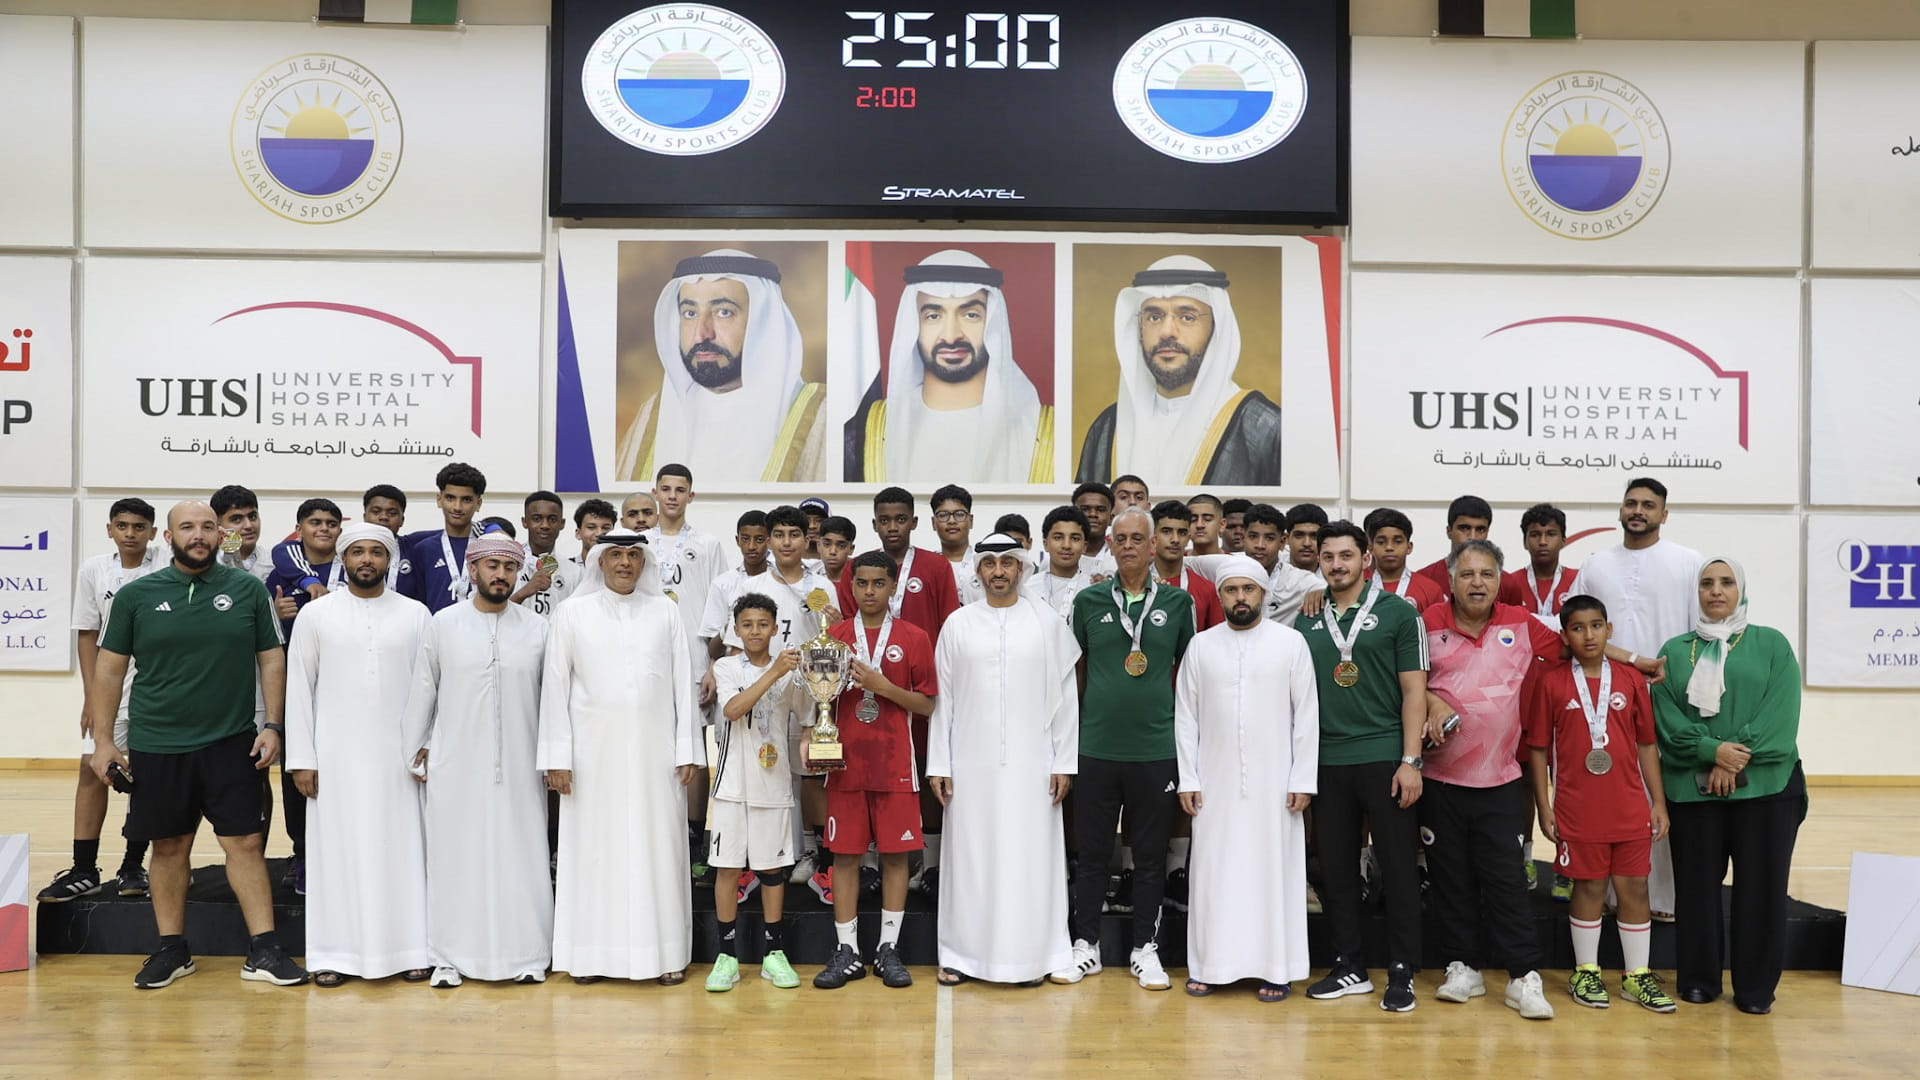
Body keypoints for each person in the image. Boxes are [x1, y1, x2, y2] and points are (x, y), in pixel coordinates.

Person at [89, 501, 306, 989]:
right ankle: (172, 949)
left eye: (209, 526)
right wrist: (104, 740)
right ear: (168, 537)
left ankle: (265, 951)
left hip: (232, 741)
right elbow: (109, 669)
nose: (200, 534)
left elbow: (272, 659)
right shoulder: (136, 595)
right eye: (188, 527)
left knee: (246, 843)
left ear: (220, 535)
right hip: (158, 743)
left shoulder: (248, 589)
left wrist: (273, 725)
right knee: (168, 846)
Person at [539, 530, 702, 985]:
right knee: (592, 853)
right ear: (600, 562)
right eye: (616, 555)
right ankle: (588, 957)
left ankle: (665, 955)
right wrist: (557, 758)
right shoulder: (571, 613)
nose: (625, 564)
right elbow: (554, 688)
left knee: (657, 851)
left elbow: (681, 684)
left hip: (657, 758)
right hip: (590, 759)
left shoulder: (665, 611)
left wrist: (688, 749)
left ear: (644, 562)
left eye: (633, 555)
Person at [283, 522, 433, 987]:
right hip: (335, 758)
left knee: (405, 851)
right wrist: (302, 758)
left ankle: (412, 949)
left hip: (400, 757)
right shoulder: (316, 615)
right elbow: (298, 691)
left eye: (376, 553)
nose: (366, 560)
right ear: (343, 560)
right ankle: (332, 953)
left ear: (389, 561)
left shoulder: (416, 614)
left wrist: (427, 746)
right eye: (357, 553)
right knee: (336, 854)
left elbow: (430, 688)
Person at [1653, 558, 1804, 1015]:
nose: (1716, 591)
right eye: (1706, 583)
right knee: (1697, 890)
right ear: (1695, 592)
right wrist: (1710, 753)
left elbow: (1781, 715)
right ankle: (1699, 980)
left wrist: (1729, 756)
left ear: (1742, 588)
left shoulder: (1771, 644)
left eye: (1726, 582)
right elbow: (1666, 719)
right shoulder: (1675, 651)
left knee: (1760, 889)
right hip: (1694, 792)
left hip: (1766, 788)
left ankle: (1756, 989)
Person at [402, 533, 553, 987]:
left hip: (524, 766)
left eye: (509, 567)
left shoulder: (538, 628)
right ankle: (449, 956)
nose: (500, 575)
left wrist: (552, 757)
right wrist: (417, 747)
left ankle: (528, 956)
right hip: (455, 763)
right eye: (491, 566)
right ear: (473, 570)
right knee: (455, 858)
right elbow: (423, 690)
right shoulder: (443, 624)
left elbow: (552, 698)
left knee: (523, 857)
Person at [928, 536, 1079, 986]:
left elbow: (1066, 699)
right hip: (969, 763)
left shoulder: (1047, 624)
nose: (998, 571)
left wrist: (1063, 762)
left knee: (1030, 857)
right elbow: (945, 700)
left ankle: (1034, 955)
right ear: (978, 571)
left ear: (1022, 569)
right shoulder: (958, 624)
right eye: (989, 563)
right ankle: (961, 955)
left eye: (1007, 563)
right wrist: (940, 763)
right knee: (971, 857)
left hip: (1035, 762)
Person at [1417, 539, 1558, 1020]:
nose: (1477, 582)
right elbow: (1407, 683)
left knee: (1506, 882)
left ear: (1500, 580)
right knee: (1450, 879)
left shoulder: (1521, 624)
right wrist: (1433, 702)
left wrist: (1636, 660)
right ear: (1451, 580)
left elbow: (1580, 644)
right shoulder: (1427, 623)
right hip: (1439, 780)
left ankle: (1524, 976)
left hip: (1500, 781)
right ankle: (1463, 967)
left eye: (1487, 574)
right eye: (1467, 574)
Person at [1175, 555, 1319, 1001]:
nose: (1240, 598)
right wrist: (1188, 778)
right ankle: (1211, 965)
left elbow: (1306, 717)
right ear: (1220, 597)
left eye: (1248, 590)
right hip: (1213, 784)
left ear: (1264, 594)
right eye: (1232, 591)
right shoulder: (1201, 645)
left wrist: (1302, 779)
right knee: (1214, 873)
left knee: (1272, 872)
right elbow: (1185, 718)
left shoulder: (1291, 643)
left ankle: (1276, 968)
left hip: (1276, 784)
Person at [1065, 507, 1196, 991]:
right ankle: (1087, 947)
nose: (1129, 546)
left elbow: (1190, 675)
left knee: (1148, 856)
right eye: (1120, 538)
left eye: (1138, 538)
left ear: (1154, 541)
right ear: (1111, 543)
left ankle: (1146, 948)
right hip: (1096, 748)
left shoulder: (1179, 604)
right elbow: (1074, 675)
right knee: (1094, 853)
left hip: (1156, 750)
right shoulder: (1089, 600)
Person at [1298, 521, 1426, 1013]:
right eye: (1327, 556)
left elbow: (1415, 691)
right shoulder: (1306, 618)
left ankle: (1402, 969)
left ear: (1365, 558)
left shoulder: (1398, 613)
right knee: (1336, 870)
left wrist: (1410, 760)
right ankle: (1349, 964)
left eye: (1345, 556)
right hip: (1327, 761)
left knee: (1396, 868)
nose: (1336, 564)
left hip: (1384, 758)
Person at [1526, 594, 1675, 1012]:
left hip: (1628, 806)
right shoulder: (1552, 682)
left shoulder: (1629, 680)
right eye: (1577, 627)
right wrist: (1544, 806)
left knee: (1634, 886)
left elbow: (1647, 744)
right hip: (1577, 807)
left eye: (1596, 626)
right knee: (1589, 886)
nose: (1588, 635)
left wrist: (1657, 802)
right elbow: (1537, 749)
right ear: (1565, 635)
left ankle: (1636, 976)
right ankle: (1586, 970)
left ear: (1609, 631)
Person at [1572, 477, 1705, 921]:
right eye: (1631, 503)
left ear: (1664, 514)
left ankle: (1663, 899)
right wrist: (1631, 660)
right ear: (1620, 509)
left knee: (1659, 794)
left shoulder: (1689, 563)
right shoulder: (1595, 564)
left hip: (1669, 698)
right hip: (1603, 700)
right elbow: (1574, 630)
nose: (1638, 510)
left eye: (1649, 505)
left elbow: (1699, 636)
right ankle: (1610, 897)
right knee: (1612, 795)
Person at [813, 552, 939, 991]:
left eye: (878, 583)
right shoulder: (833, 638)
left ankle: (888, 948)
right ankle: (846, 950)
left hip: (895, 766)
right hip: (844, 765)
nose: (869, 592)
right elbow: (818, 701)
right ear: (851, 587)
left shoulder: (915, 637)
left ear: (891, 587)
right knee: (844, 857)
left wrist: (883, 687)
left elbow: (926, 705)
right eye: (861, 583)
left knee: (894, 857)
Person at [616, 248, 824, 482]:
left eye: (723, 312)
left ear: (764, 323)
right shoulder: (651, 416)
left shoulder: (820, 415)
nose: (702, 333)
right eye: (690, 313)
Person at [40, 498, 160, 904]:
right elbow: (87, 633)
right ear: (109, 529)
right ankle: (84, 868)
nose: (130, 533)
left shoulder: (163, 566)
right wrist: (91, 696)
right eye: (122, 525)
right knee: (91, 771)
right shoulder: (94, 569)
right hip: (111, 689)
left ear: (154, 533)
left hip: (156, 692)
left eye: (139, 526)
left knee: (147, 777)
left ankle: (132, 865)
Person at [846, 249, 1052, 483]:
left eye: (971, 315)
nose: (951, 335)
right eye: (933, 316)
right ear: (914, 325)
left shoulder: (1042, 432)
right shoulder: (866, 431)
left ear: (993, 324)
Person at [1076, 255, 1281, 487]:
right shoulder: (1108, 428)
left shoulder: (1265, 428)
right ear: (1139, 328)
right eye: (1154, 317)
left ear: (1216, 328)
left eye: (1187, 317)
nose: (1167, 332)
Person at [706, 593, 811, 992]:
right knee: (728, 868)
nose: (754, 631)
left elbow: (805, 717)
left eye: (762, 624)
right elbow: (733, 709)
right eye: (747, 624)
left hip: (774, 783)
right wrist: (775, 673)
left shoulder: (791, 669)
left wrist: (812, 746)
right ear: (736, 628)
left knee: (771, 868)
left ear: (774, 627)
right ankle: (726, 956)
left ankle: (773, 952)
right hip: (731, 785)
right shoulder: (727, 665)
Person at [644, 464, 732, 879]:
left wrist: (714, 663)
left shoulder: (709, 543)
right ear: (655, 493)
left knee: (694, 747)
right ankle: (656, 830)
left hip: (696, 657)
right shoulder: (639, 543)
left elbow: (723, 607)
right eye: (666, 489)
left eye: (681, 490)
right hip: (648, 657)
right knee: (651, 743)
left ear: (691, 496)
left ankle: (696, 835)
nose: (673, 496)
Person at [1189, 504, 1321, 627]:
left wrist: (1321, 593)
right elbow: (1181, 564)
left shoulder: (1300, 581)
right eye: (1253, 536)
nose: (1260, 545)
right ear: (1244, 537)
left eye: (1269, 538)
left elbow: (1330, 590)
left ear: (1282, 542)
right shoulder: (1226, 564)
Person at [399, 462, 488, 614]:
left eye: (466, 500)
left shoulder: (488, 547)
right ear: (439, 499)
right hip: (436, 634)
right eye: (450, 498)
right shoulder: (423, 549)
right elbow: (419, 603)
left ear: (478, 503)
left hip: (482, 634)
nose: (457, 507)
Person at [265, 498, 343, 639]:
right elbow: (261, 627)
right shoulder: (280, 574)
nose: (324, 528)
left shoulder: (350, 571)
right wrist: (276, 616)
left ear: (340, 532)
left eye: (332, 524)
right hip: (293, 658)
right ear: (299, 530)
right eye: (315, 522)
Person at [1499, 503, 1579, 629]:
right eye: (1535, 535)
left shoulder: (1578, 579)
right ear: (1525, 542)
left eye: (1551, 534)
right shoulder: (1509, 582)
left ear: (1563, 541)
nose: (1542, 542)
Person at [1151, 500, 1223, 631]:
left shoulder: (1208, 590)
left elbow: (1217, 642)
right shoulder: (1137, 584)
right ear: (1153, 536)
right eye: (1166, 531)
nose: (1175, 540)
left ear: (1189, 537)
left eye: (1182, 533)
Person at [1023, 506, 1098, 624]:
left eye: (1075, 538)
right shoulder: (1027, 588)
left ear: (1084, 546)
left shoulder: (1093, 590)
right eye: (1058, 537)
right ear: (1045, 544)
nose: (1066, 545)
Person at [1362, 508, 1446, 611]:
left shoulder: (1430, 589)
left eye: (1397, 541)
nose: (1389, 547)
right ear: (1371, 548)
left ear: (1409, 547)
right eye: (1381, 542)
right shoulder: (1358, 584)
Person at [1412, 495, 1493, 600]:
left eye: (1480, 529)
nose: (1472, 537)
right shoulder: (1423, 579)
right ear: (1449, 531)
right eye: (1464, 528)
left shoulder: (1505, 583)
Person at [512, 491, 572, 618]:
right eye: (537, 519)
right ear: (524, 522)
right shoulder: (508, 564)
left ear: (562, 523)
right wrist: (523, 592)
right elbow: (495, 611)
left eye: (552, 519)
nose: (545, 525)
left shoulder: (575, 572)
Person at [930, 484, 984, 606]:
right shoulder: (926, 566)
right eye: (943, 515)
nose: (952, 521)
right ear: (933, 523)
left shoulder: (984, 563)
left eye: (959, 514)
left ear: (971, 521)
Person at [210, 485, 273, 583]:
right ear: (218, 525)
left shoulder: (274, 562)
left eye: (252, 517)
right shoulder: (208, 564)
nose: (248, 526)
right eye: (237, 519)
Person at [1071, 483, 1117, 578]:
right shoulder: (1055, 558)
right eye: (1085, 509)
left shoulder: (1120, 558)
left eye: (1100, 510)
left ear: (1111, 518)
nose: (1092, 514)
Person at [1284, 504, 1328, 573]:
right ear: (1286, 539)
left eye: (1314, 536)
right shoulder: (1272, 572)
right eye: (1299, 535)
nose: (1306, 543)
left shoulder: (1333, 576)